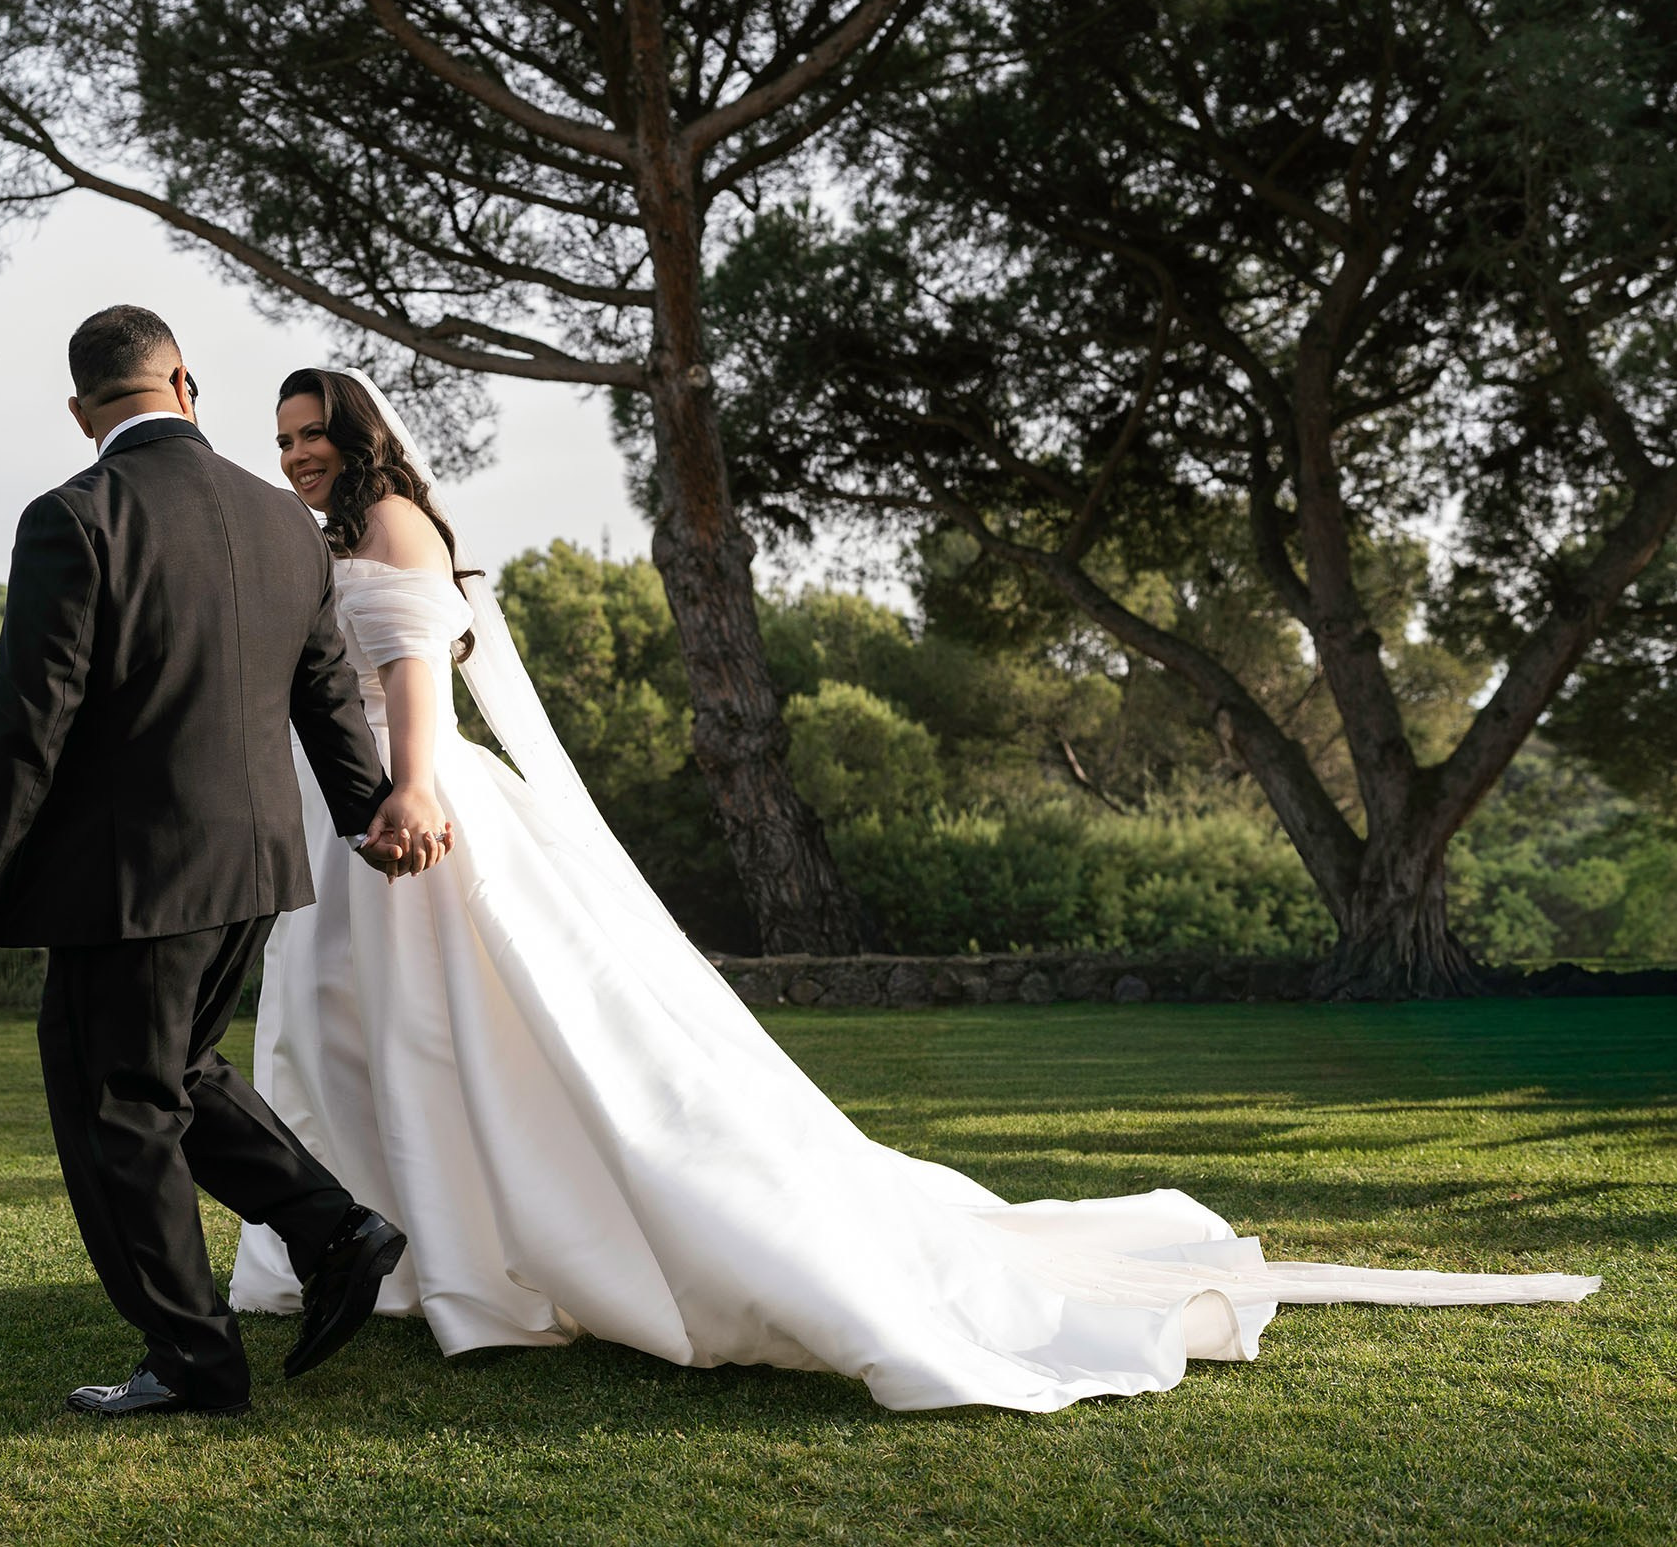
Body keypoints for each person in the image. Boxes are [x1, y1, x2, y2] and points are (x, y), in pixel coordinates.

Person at [229, 365, 1600, 1415]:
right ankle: (405, 1246)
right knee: (367, 1036)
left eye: (315, 433)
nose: (297, 453)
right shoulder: (324, 534)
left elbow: (414, 678)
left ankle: (483, 1247)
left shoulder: (393, 522)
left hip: (415, 816)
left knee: (458, 1038)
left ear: (364, 439)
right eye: (283, 434)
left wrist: (409, 792)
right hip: (345, 821)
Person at [0, 309, 452, 1418]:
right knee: (176, 1073)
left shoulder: (74, 515)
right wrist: (368, 815)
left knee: (114, 1102)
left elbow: (27, 719)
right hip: (257, 864)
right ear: (186, 383)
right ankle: (335, 1227)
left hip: (132, 881)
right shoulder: (281, 518)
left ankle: (196, 1360)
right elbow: (318, 693)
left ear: (80, 410)